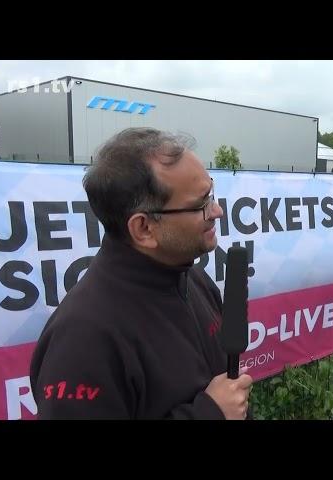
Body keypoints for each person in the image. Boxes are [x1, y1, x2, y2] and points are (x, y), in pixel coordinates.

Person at [30, 127, 253, 419]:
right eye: (201, 204)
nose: (217, 211)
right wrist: (209, 414)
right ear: (144, 228)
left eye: (210, 194)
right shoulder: (83, 339)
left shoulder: (193, 279)